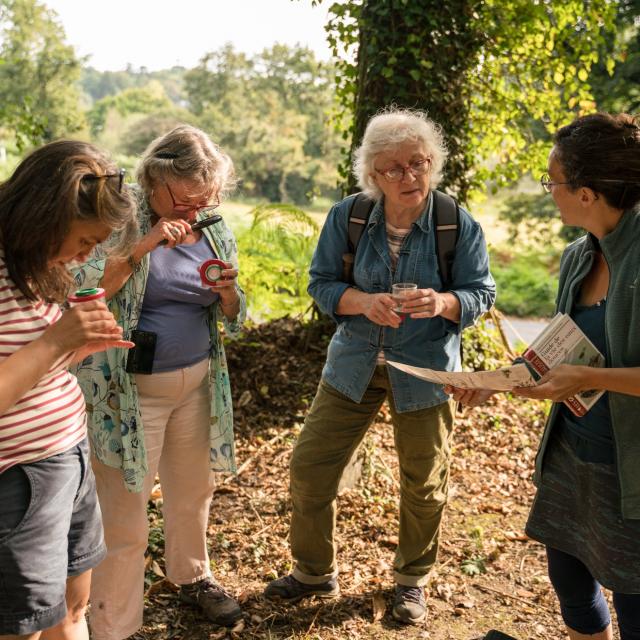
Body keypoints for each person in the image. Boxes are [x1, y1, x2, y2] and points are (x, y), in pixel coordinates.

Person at [263, 107, 496, 625]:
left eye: (418, 163)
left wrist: (442, 303)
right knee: (310, 467)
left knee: (424, 482)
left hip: (425, 371)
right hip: (353, 365)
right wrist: (362, 302)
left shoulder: (455, 223)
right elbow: (321, 285)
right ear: (372, 176)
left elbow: (481, 293)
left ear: (433, 164)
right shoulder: (349, 217)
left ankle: (411, 581)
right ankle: (313, 571)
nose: (409, 176)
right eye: (393, 168)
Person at [448, 113, 640, 640]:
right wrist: (495, 381)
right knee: (571, 580)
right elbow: (561, 353)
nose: (549, 191)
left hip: (631, 470)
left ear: (587, 192)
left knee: (635, 599)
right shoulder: (579, 256)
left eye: (553, 182)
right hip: (573, 455)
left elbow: (578, 371)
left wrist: (578, 376)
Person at [72, 125, 247, 639]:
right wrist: (145, 245)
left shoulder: (210, 226)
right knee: (123, 510)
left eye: (205, 199)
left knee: (193, 490)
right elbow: (89, 291)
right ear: (154, 177)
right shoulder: (119, 218)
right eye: (185, 199)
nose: (195, 209)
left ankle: (192, 577)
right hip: (127, 394)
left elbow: (233, 315)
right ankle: (113, 622)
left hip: (197, 384)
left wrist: (231, 294)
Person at [0, 140, 137, 640]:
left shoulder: (37, 265)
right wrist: (58, 338)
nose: (88, 254)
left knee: (72, 610)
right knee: (24, 628)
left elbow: (22, 362)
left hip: (69, 460)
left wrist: (71, 351)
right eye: (84, 241)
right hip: (18, 479)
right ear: (44, 219)